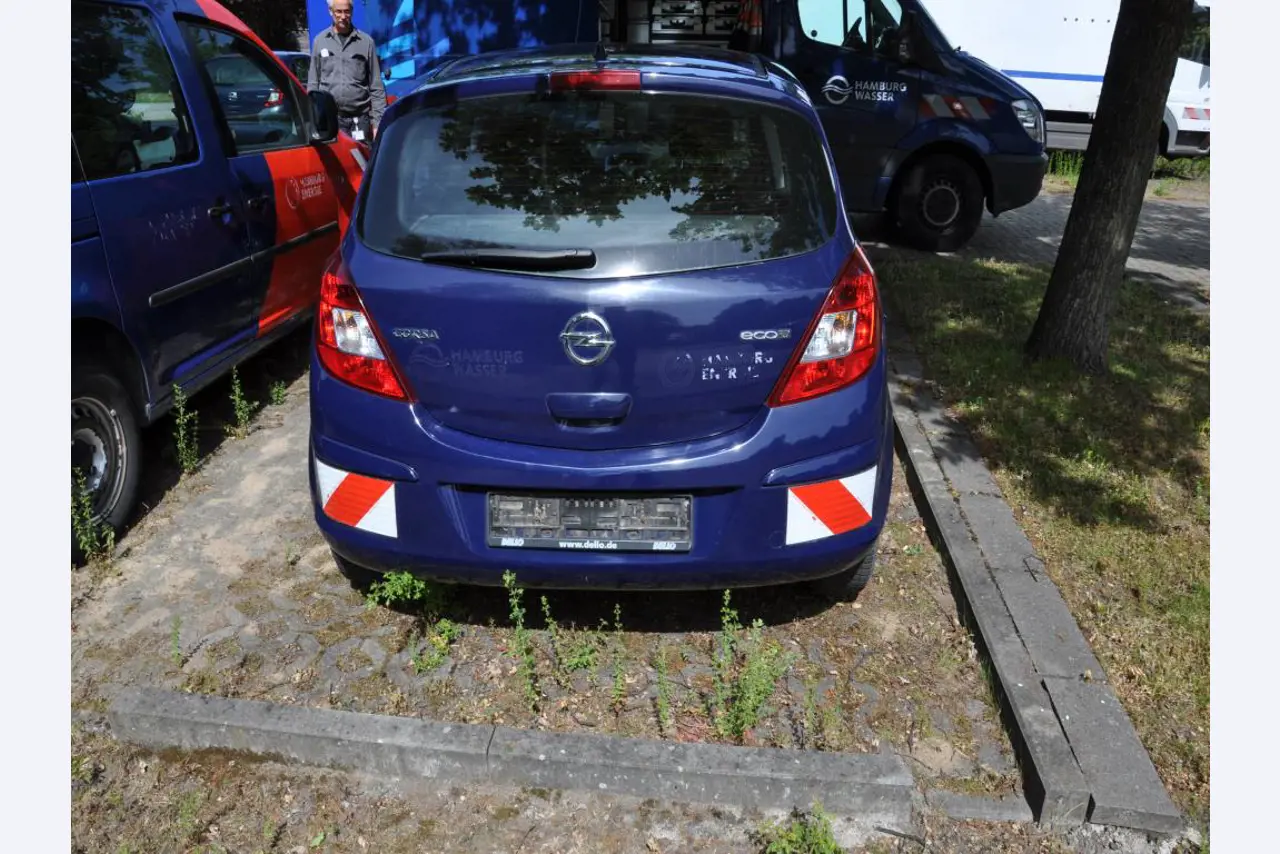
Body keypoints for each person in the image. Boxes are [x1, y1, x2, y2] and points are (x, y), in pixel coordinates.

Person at [306, 0, 386, 143]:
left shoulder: (366, 42)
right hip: (332, 121)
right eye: (339, 12)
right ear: (331, 12)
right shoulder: (320, 41)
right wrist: (315, 120)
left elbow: (376, 86)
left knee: (362, 163)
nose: (343, 16)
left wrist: (378, 124)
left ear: (352, 12)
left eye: (346, 11)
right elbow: (313, 84)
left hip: (360, 121)